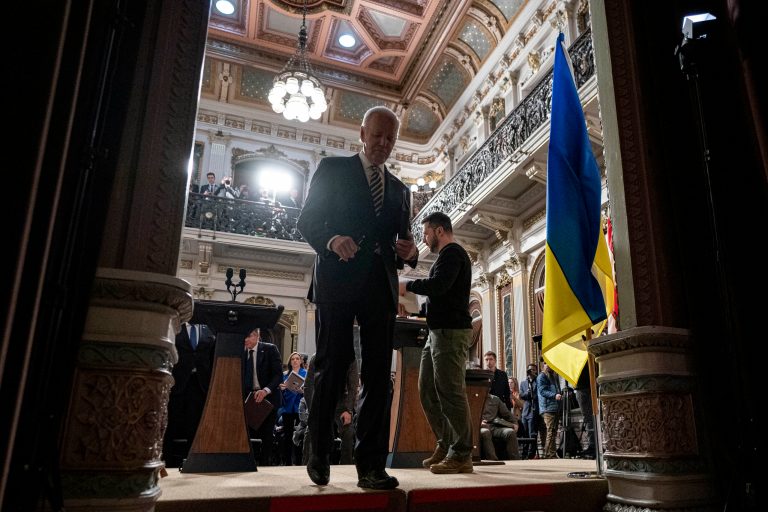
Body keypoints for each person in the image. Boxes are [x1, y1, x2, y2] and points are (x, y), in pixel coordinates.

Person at [296, 106, 418, 489]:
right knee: (333, 363)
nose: (383, 144)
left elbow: (405, 242)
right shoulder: (333, 170)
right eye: (377, 135)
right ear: (362, 132)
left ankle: (371, 466)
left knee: (379, 375)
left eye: (390, 139)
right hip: (337, 279)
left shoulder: (400, 190)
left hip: (380, 288)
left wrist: (410, 253)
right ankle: (318, 452)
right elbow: (307, 221)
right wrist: (332, 240)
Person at [399, 211, 473, 475]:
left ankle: (461, 453)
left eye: (426, 232)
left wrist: (406, 286)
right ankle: (446, 443)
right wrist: (417, 311)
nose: (424, 237)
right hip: (436, 331)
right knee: (427, 390)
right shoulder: (445, 257)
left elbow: (439, 286)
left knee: (450, 392)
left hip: (451, 332)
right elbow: (443, 296)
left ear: (439, 231)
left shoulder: (453, 253)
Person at [162, 322, 215, 467]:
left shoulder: (208, 330)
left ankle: (192, 461)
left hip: (199, 384)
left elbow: (212, 357)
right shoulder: (176, 327)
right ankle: (168, 460)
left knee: (195, 424)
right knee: (172, 423)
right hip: (178, 383)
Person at [242, 328, 283, 466]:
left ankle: (265, 465)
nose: (245, 340)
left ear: (257, 336)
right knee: (248, 435)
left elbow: (278, 375)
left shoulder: (270, 349)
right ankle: (249, 464)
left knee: (267, 436)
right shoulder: (241, 352)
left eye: (248, 337)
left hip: (268, 399)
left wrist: (265, 391)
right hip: (249, 400)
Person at [278, 352, 306, 465]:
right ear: (290, 362)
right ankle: (287, 462)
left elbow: (309, 391)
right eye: (293, 359)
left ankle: (299, 461)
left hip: (300, 407)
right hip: (287, 407)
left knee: (300, 434)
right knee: (287, 435)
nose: (295, 360)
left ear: (300, 361)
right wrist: (282, 387)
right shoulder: (285, 374)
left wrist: (302, 391)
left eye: (297, 359)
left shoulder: (306, 373)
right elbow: (279, 390)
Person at [479, 394, 521, 461]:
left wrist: (515, 423)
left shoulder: (495, 399)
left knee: (510, 432)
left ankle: (516, 460)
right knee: (485, 432)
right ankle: (493, 460)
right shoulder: (472, 397)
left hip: (493, 426)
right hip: (479, 427)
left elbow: (507, 414)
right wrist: (479, 423)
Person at [536, 360, 562, 459]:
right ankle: (548, 454)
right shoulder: (542, 376)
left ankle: (551, 453)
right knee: (550, 431)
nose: (548, 366)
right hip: (547, 407)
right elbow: (543, 391)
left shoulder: (553, 376)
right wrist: (554, 395)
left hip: (554, 407)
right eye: (546, 363)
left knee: (554, 431)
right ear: (543, 365)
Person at [519, 362, 544, 459]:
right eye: (530, 370)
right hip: (525, 411)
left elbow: (537, 395)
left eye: (533, 370)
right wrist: (528, 392)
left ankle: (531, 454)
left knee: (532, 433)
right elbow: (522, 396)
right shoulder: (523, 383)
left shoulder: (538, 382)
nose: (531, 372)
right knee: (525, 433)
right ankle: (524, 454)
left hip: (534, 410)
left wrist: (531, 393)